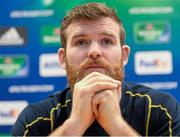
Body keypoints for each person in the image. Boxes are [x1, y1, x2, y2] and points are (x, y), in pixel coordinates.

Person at [11, 2, 180, 136]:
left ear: (124, 55)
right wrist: (75, 124)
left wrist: (115, 124)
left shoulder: (160, 109)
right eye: (81, 42)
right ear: (63, 58)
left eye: (106, 41)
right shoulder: (34, 120)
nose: (94, 52)